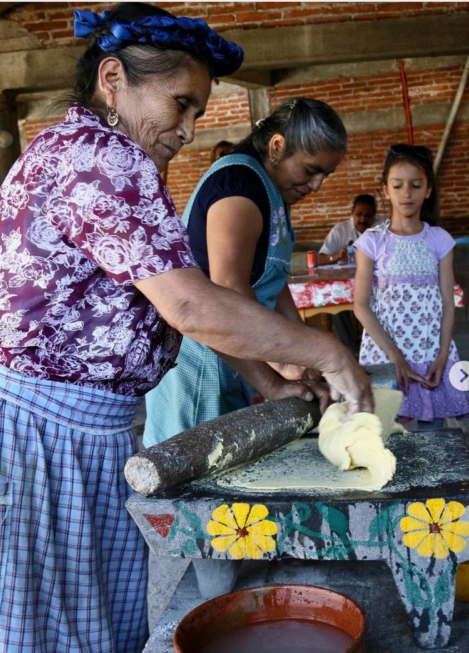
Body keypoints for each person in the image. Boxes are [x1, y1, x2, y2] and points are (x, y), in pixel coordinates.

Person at [0, 5, 371, 653]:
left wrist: (272, 384)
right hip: (18, 432)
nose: (188, 128)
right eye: (180, 104)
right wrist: (329, 355)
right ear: (113, 79)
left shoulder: (102, 155)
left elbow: (190, 304)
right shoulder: (100, 158)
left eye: (198, 109)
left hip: (53, 433)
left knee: (42, 648)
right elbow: (195, 302)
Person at [144, 97, 347, 446]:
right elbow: (229, 290)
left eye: (324, 176)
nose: (316, 186)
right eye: (311, 170)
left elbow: (273, 280)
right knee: (194, 471)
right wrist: (283, 365)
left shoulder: (273, 193)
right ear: (277, 147)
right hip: (201, 362)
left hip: (236, 356)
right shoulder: (239, 185)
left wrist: (300, 351)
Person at [353, 144, 469, 428]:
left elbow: (447, 302)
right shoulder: (372, 241)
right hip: (384, 354)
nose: (406, 193)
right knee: (384, 435)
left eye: (416, 185)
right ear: (386, 190)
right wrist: (395, 358)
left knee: (434, 438)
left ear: (428, 190)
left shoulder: (439, 239)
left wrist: (443, 355)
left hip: (430, 352)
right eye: (398, 186)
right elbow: (360, 305)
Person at [316, 193, 378, 266]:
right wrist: (337, 256)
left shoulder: (383, 229)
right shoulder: (340, 230)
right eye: (359, 214)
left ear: (374, 215)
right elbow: (318, 259)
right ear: (352, 211)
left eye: (368, 216)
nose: (362, 219)